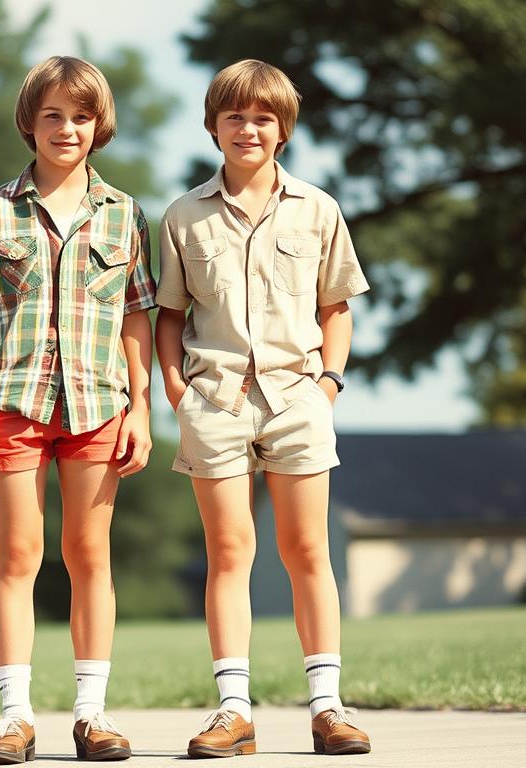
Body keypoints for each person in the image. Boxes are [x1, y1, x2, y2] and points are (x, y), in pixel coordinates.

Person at [0, 55, 156, 764]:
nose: (67, 128)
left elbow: (137, 320)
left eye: (81, 116)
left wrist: (141, 409)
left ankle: (92, 716)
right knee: (18, 556)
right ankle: (14, 718)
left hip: (98, 406)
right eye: (53, 114)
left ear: (99, 126)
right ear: (30, 122)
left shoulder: (124, 215)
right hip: (10, 402)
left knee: (89, 555)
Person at [154, 59, 372, 757]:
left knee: (307, 550)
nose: (249, 128)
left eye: (263, 118)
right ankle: (233, 712)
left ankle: (328, 709)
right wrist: (176, 389)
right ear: (215, 126)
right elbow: (167, 314)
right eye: (235, 117)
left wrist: (328, 384)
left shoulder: (318, 209)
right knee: (228, 553)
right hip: (214, 403)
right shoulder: (184, 215)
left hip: (297, 400)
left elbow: (335, 306)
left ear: (283, 130)